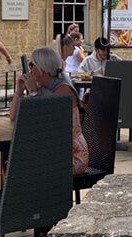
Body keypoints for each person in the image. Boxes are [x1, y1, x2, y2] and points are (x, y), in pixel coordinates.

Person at [11, 46, 88, 175]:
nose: (30, 70)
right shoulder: (42, 87)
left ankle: (35, 194)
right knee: (12, 163)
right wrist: (19, 91)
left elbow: (45, 122)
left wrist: (33, 93)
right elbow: (13, 117)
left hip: (72, 154)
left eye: (32, 65)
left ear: (43, 68)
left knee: (17, 165)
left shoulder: (64, 90)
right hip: (52, 149)